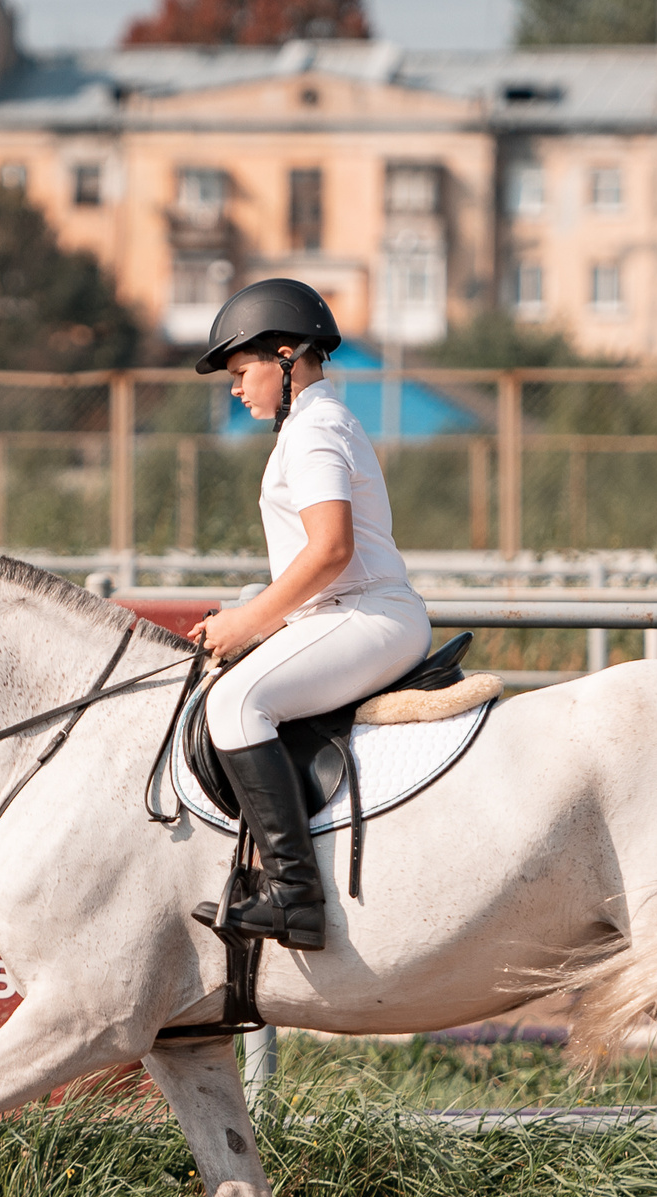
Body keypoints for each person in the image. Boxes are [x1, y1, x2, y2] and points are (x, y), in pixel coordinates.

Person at [184, 278, 432, 952]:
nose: (237, 390)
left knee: (235, 703)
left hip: (367, 614)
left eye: (243, 373)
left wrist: (250, 622)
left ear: (286, 357)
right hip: (348, 614)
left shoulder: (316, 429)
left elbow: (330, 549)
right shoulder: (310, 425)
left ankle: (294, 898)